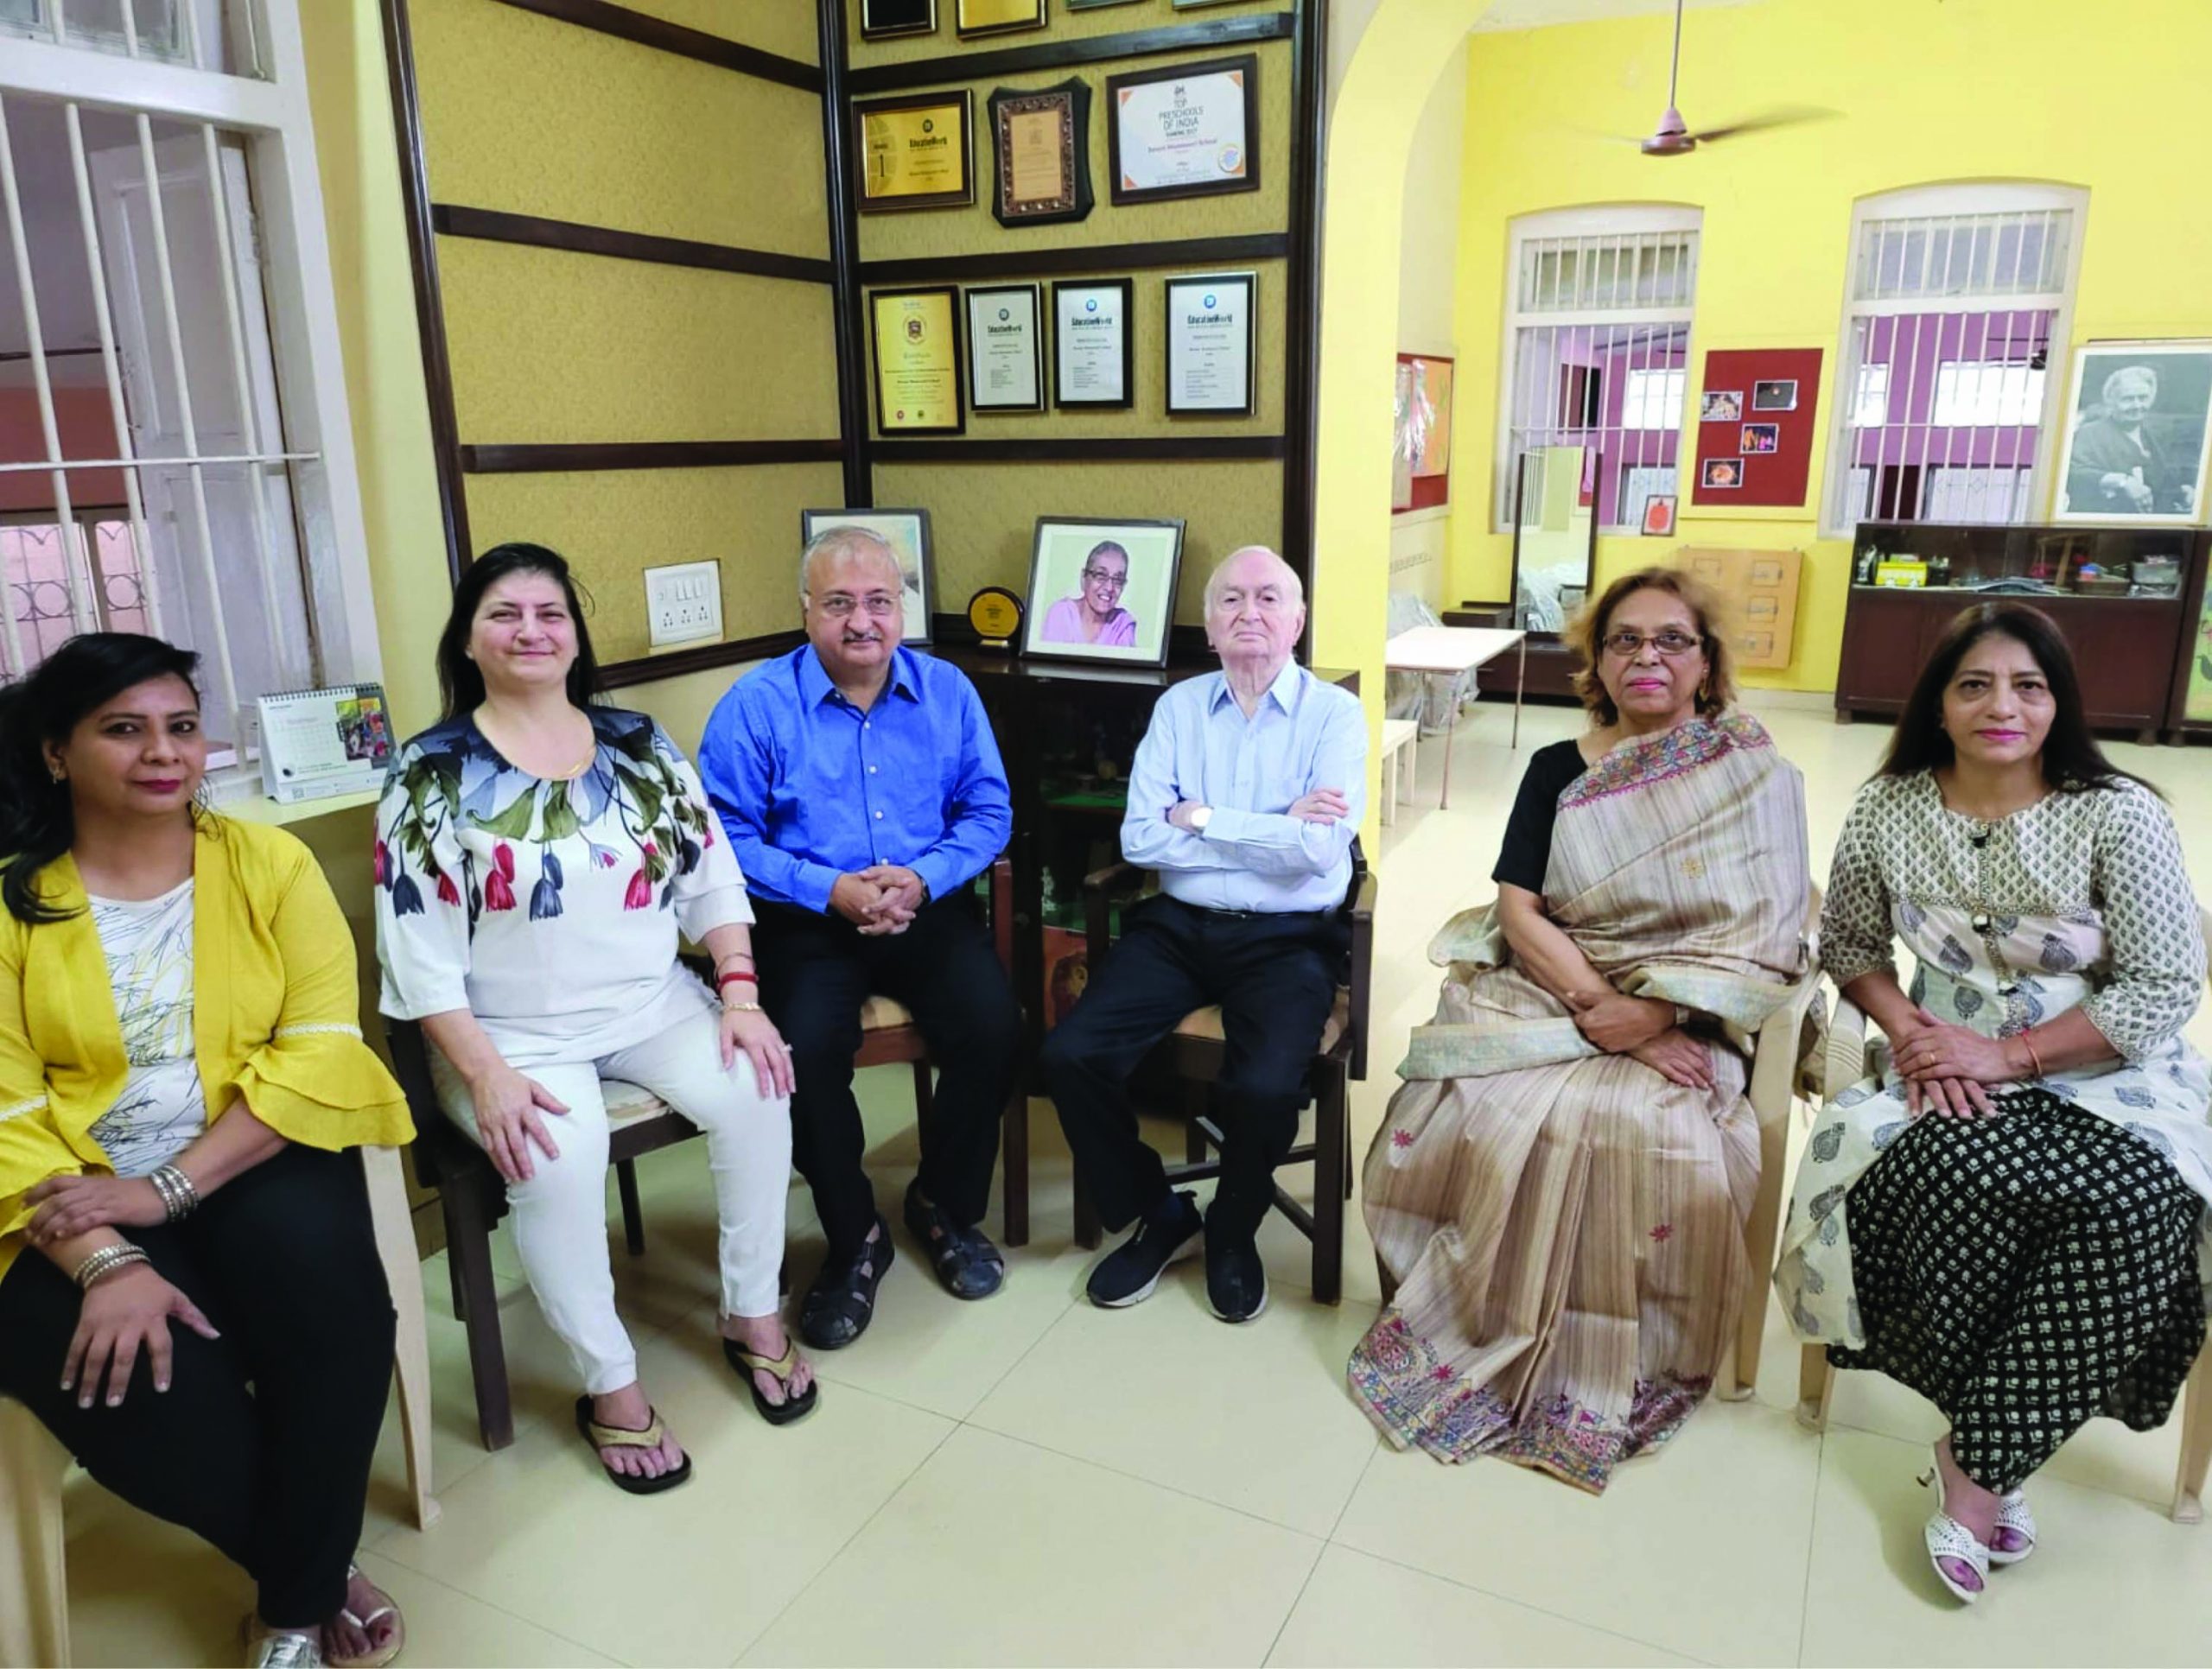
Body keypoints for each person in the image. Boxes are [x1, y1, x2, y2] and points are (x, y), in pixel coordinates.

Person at [1776, 602, 2209, 1605]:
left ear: (2058, 702)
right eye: (1974, 684)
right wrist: (1921, 1039)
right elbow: (1848, 950)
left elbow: (2156, 990)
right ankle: (1998, 1448)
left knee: (2141, 1204)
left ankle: (1976, 1466)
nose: (2000, 706)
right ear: (1939, 701)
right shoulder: (1888, 807)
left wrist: (2007, 1052)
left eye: (2027, 685)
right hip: (1943, 1060)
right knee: (1935, 1173)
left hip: (2107, 1066)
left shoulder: (2118, 811)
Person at [0, 634, 415, 1669]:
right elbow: (3, 1111)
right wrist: (107, 1260)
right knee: (131, 1379)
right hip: (59, 1193)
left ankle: (291, 1604)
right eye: (124, 729)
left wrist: (167, 1190)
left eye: (181, 727)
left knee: (336, 1311)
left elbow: (319, 1047)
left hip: (249, 1148)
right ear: (56, 753)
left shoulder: (268, 865)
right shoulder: (12, 902)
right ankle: (316, 1574)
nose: (163, 753)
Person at [1349, 568, 1810, 1490]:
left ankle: (1625, 1356)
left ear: (1706, 661)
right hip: (1554, 987)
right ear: (1596, 661)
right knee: (1470, 1108)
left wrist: (1664, 1010)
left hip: (1690, 999)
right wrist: (1617, 1022)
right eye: (1624, 640)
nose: (1647, 656)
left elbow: (1769, 926)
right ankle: (1471, 1320)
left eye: (1671, 640)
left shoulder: (1751, 775)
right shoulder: (1556, 768)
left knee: (1658, 1132)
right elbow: (1519, 910)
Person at [375, 543, 815, 1498]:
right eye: (505, 614)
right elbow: (416, 951)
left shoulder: (639, 742)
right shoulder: (430, 771)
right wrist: (484, 1073)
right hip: (506, 1034)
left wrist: (738, 994)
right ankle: (610, 1384)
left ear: (575, 637)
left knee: (758, 1088)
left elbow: (710, 877)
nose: (531, 631)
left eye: (550, 614)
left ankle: (752, 1315)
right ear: (468, 638)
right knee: (556, 1160)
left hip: (654, 1003)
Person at [699, 526, 1020, 1349]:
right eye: (839, 603)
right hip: (805, 919)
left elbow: (988, 811)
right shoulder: (755, 707)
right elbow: (722, 837)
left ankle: (942, 1206)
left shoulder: (947, 691)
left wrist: (925, 877)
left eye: (879, 601)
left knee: (993, 1024)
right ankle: (854, 1239)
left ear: (900, 608)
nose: (862, 621)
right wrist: (828, 889)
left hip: (924, 903)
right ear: (806, 612)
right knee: (799, 1054)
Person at [1042, 546, 1366, 1323]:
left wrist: (1204, 818)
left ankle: (1231, 1225)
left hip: (1291, 936)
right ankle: (1161, 1213)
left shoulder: (1335, 715)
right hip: (1179, 927)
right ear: (1209, 625)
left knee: (1261, 1086)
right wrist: (1271, 830)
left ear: (1297, 620)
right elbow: (1140, 843)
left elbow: (1320, 852)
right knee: (1069, 1055)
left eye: (1266, 598)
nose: (1247, 613)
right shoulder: (1179, 709)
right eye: (1229, 600)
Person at [2064, 365, 2190, 515]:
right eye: (2128, 399)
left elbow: (2166, 479)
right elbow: (2072, 474)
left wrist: (2184, 491)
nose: (2137, 406)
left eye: (2143, 398)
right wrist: (2122, 482)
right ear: (2111, 401)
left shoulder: (2155, 435)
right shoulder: (2089, 433)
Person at [1039, 542, 1139, 647]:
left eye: (1118, 580)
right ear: (1084, 578)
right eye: (1101, 575)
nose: (1109, 588)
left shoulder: (1122, 624)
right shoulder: (1062, 614)